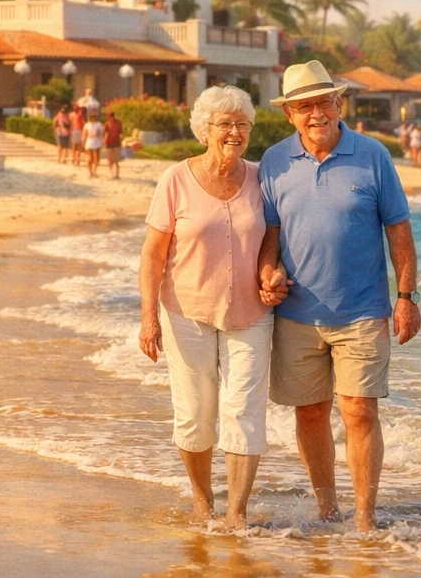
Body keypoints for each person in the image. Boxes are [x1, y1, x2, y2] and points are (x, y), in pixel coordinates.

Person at [258, 61, 420, 532]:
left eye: (323, 102)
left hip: (363, 311)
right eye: (304, 106)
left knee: (359, 409)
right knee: (310, 413)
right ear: (289, 113)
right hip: (296, 314)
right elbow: (271, 235)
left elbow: (399, 231)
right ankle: (328, 511)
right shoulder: (274, 161)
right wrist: (268, 270)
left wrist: (406, 296)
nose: (316, 114)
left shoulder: (373, 156)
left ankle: (366, 516)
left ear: (338, 104)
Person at [138, 85, 279, 529]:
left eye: (243, 124)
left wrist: (269, 270)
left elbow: (272, 236)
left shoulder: (261, 178)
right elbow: (152, 255)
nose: (235, 132)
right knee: (197, 414)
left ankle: (236, 512)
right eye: (225, 124)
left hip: (251, 313)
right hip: (185, 311)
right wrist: (147, 319)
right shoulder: (175, 180)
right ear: (205, 130)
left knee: (244, 411)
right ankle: (203, 501)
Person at [83, 111, 105, 179]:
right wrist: (83, 141)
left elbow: (101, 133)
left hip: (97, 141)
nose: (92, 118)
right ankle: (90, 172)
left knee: (96, 159)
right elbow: (84, 133)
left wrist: (102, 141)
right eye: (91, 117)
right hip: (89, 141)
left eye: (94, 116)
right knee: (90, 158)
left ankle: (94, 171)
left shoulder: (99, 124)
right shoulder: (87, 125)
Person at [104, 109, 124, 180]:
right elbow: (105, 133)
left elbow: (120, 133)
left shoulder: (116, 123)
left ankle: (115, 174)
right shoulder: (108, 123)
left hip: (115, 143)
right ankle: (113, 174)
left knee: (115, 160)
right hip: (111, 143)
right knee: (111, 160)